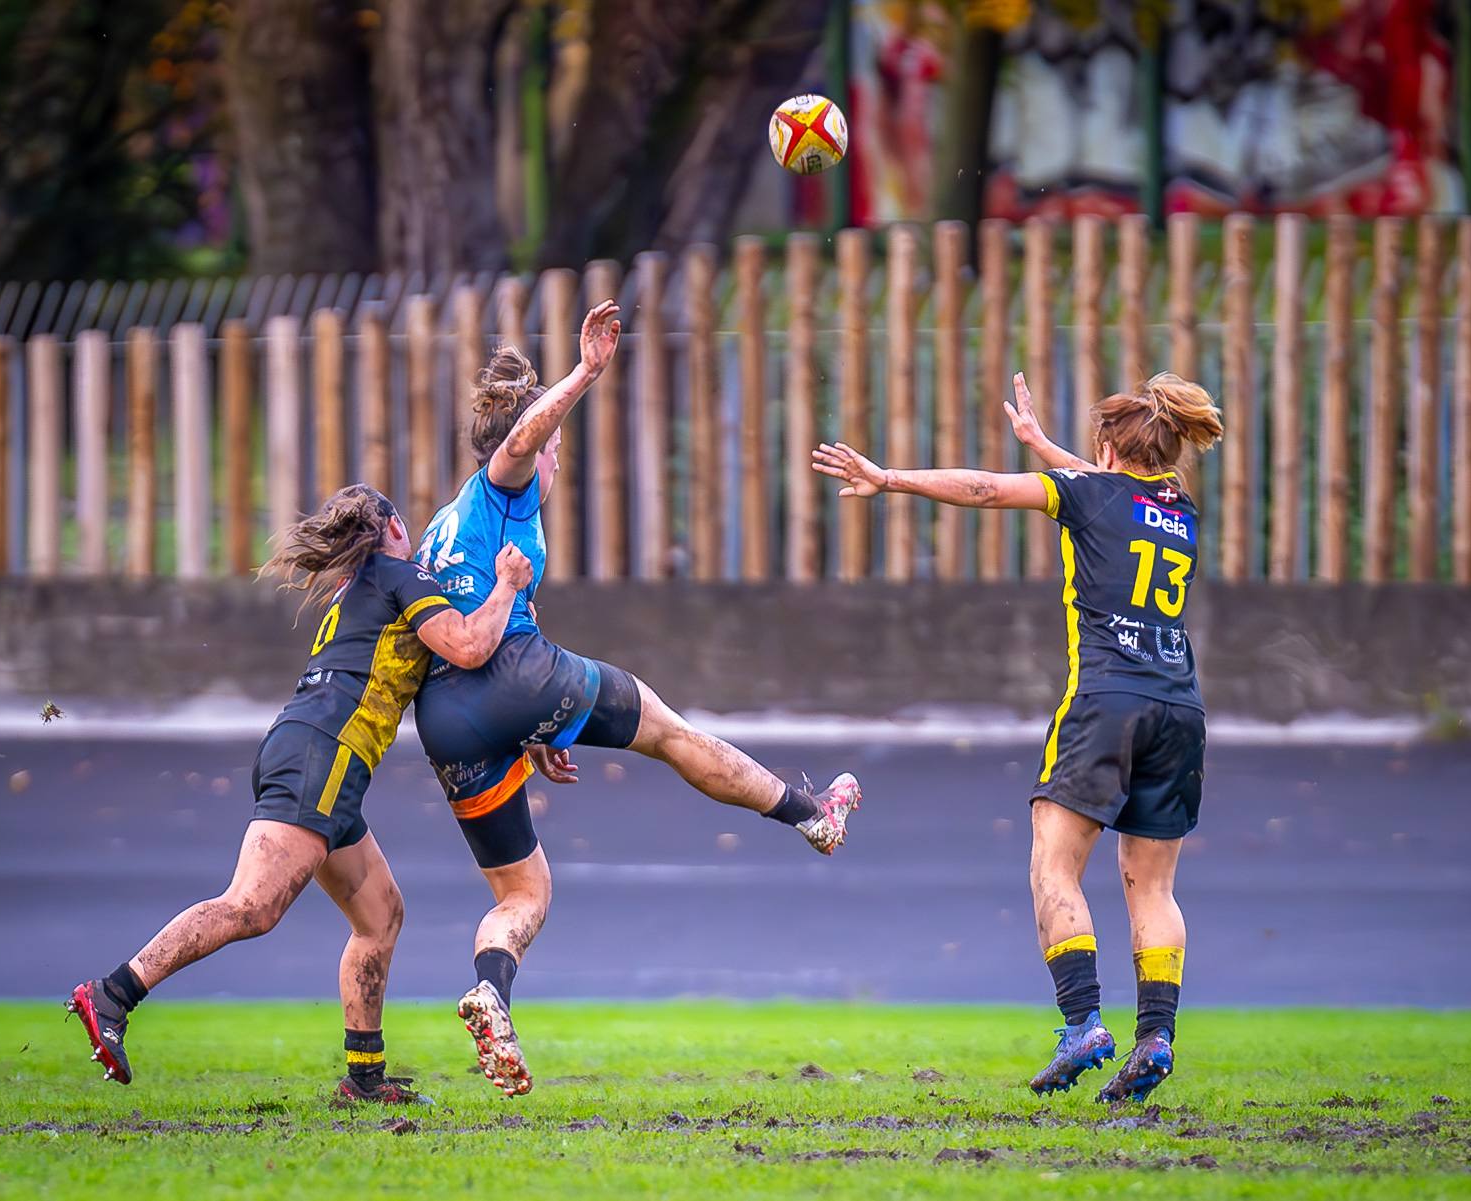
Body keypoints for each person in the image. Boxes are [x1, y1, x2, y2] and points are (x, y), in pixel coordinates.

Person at [411, 301, 862, 1098]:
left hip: (444, 719)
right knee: (671, 733)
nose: (555, 461)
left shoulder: (444, 526)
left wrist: (532, 730)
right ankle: (811, 814)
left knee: (523, 891)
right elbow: (520, 444)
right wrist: (585, 372)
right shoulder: (505, 486)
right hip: (514, 673)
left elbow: (460, 627)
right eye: (555, 448)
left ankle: (489, 990)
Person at [813, 371, 1222, 1105]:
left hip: (1106, 701)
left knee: (1053, 868)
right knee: (1154, 886)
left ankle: (1083, 1023)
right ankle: (1156, 1036)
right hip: (1181, 709)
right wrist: (1042, 444)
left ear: (1106, 450)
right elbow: (1110, 487)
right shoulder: (1179, 508)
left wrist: (889, 477)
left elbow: (986, 490)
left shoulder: (1087, 493)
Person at [68, 484, 536, 1103]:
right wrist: (507, 584)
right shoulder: (399, 576)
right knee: (251, 906)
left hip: (316, 754)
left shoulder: (361, 587)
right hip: (321, 755)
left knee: (381, 916)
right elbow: (470, 646)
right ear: (394, 527)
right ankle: (112, 994)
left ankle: (364, 1080)